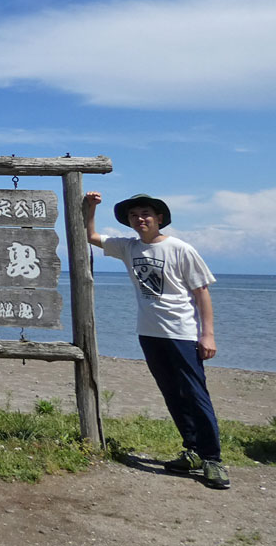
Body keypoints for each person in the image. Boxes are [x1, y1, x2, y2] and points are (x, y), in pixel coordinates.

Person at [83, 192, 230, 489]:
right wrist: (89, 208)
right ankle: (192, 451)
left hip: (183, 334)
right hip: (149, 334)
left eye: (146, 213)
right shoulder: (128, 247)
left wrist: (208, 334)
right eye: (134, 215)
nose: (140, 219)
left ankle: (212, 458)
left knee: (195, 394)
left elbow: (202, 293)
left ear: (159, 218)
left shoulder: (181, 249)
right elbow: (92, 236)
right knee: (172, 394)